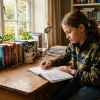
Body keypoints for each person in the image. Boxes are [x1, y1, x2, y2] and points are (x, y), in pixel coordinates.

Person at [40, 11, 100, 100]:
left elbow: (96, 78)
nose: (66, 37)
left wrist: (72, 72)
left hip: (95, 87)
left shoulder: (96, 48)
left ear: (81, 27)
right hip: (79, 81)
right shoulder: (74, 43)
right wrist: (51, 63)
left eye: (69, 32)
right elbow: (64, 56)